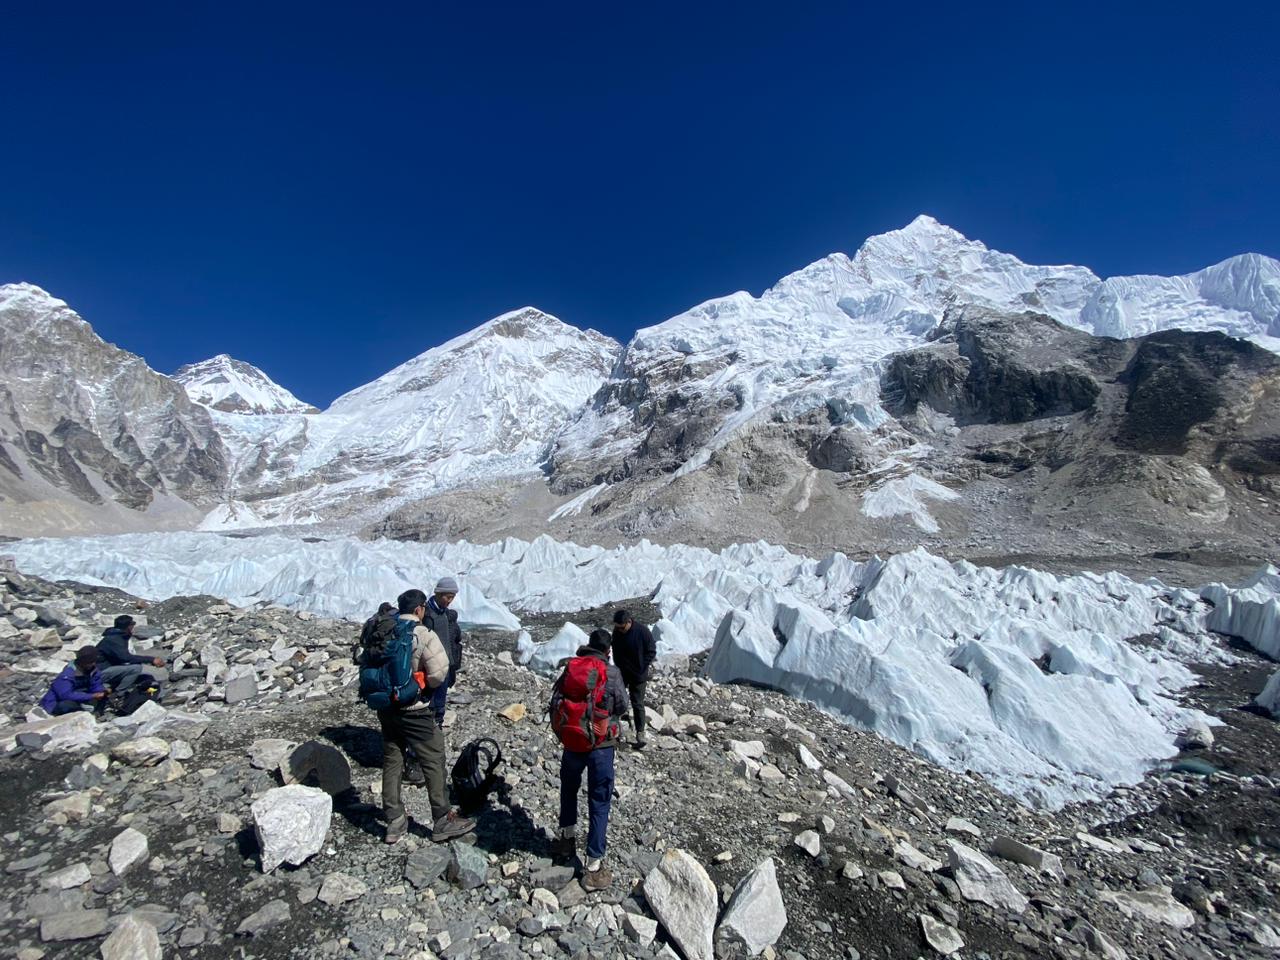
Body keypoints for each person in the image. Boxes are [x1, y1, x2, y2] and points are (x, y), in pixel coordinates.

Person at [378, 588, 475, 845]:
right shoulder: (423, 634)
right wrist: (423, 688)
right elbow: (439, 672)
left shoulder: (386, 630)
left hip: (387, 709)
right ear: (420, 609)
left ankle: (394, 821)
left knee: (393, 760)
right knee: (433, 759)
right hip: (415, 710)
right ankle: (442, 818)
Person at [551, 628, 630, 891]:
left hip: (573, 741)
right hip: (601, 743)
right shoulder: (612, 672)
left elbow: (556, 700)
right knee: (599, 798)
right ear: (608, 651)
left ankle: (566, 839)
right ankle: (593, 864)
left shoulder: (572, 667)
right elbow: (622, 705)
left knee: (569, 789)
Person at [421, 577, 464, 728]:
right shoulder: (427, 615)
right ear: (438, 594)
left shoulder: (445, 614)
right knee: (431, 701)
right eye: (448, 596)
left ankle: (437, 726)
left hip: (445, 664)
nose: (450, 600)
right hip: (431, 665)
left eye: (452, 597)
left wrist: (452, 665)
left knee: (440, 701)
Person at [611, 609, 656, 748]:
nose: (619, 630)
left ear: (629, 622)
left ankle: (640, 732)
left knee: (637, 703)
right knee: (617, 700)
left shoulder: (642, 632)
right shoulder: (617, 632)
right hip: (622, 673)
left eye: (622, 627)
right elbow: (614, 648)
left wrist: (642, 666)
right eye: (617, 627)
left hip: (638, 675)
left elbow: (651, 651)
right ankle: (613, 729)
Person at [97, 615, 168, 693]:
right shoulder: (114, 639)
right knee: (136, 668)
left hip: (108, 668)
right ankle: (118, 693)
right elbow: (125, 657)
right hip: (100, 672)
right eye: (132, 624)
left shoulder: (118, 636)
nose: (133, 627)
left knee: (143, 676)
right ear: (128, 627)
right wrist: (151, 660)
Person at [40, 646, 108, 715]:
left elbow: (96, 684)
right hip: (56, 704)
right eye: (90, 662)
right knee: (67, 705)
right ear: (82, 662)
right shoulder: (67, 674)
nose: (93, 664)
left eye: (94, 661)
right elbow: (65, 695)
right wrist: (91, 696)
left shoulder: (93, 671)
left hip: (82, 698)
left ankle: (95, 713)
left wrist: (100, 692)